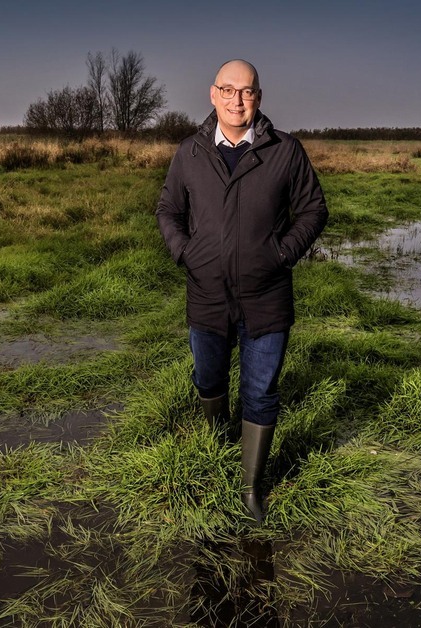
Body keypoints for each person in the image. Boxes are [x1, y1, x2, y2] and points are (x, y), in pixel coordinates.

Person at [156, 59, 328, 524]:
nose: (237, 100)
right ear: (212, 95)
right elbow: (169, 210)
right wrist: (186, 254)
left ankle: (251, 487)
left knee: (260, 390)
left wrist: (281, 253)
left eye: (247, 92)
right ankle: (217, 448)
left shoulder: (284, 151)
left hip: (266, 294)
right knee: (209, 380)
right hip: (206, 292)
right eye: (228, 90)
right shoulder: (189, 152)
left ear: (259, 97)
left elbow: (313, 210)